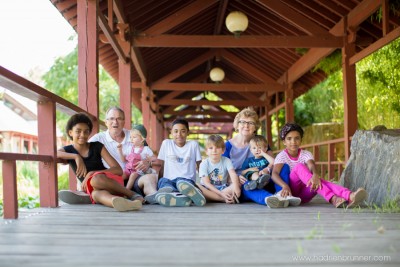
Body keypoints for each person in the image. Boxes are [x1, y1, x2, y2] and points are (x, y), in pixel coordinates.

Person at [58, 107, 158, 204]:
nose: (115, 122)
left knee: (149, 179)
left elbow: (151, 156)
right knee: (96, 194)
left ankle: (148, 196)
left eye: (119, 118)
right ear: (106, 122)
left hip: (130, 177)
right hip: (106, 184)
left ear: (124, 121)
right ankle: (123, 202)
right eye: (111, 119)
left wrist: (148, 162)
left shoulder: (134, 135)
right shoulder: (97, 139)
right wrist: (76, 157)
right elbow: (58, 152)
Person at [272, 122, 367, 208]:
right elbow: (274, 174)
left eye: (297, 138)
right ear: (284, 142)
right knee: (299, 167)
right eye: (289, 139)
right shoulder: (282, 156)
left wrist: (315, 175)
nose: (293, 142)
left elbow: (311, 165)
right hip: (291, 191)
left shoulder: (306, 154)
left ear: (301, 140)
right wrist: (284, 186)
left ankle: (349, 196)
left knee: (317, 181)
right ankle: (341, 197)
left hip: (305, 194)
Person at [222, 107, 300, 208]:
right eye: (242, 122)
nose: (246, 125)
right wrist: (235, 179)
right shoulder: (227, 146)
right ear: (237, 125)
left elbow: (274, 164)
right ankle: (270, 199)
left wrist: (267, 169)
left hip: (265, 179)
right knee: (247, 185)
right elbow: (222, 171)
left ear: (255, 127)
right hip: (244, 182)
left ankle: (282, 194)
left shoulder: (261, 142)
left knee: (283, 167)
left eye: (251, 123)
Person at [155, 118, 206, 207]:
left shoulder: (193, 145)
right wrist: (157, 184)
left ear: (188, 133)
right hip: (169, 181)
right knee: (164, 183)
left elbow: (200, 165)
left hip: (186, 181)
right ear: (171, 132)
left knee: (182, 184)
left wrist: (203, 183)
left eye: (183, 131)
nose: (179, 134)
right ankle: (182, 198)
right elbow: (162, 166)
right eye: (176, 131)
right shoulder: (166, 144)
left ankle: (178, 196)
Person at [198, 135, 241, 204]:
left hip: (223, 188)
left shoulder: (227, 161)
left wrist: (236, 186)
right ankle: (223, 199)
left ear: (223, 150)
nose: (214, 150)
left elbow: (232, 173)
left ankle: (213, 198)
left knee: (237, 182)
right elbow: (206, 183)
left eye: (217, 147)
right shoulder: (204, 164)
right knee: (197, 186)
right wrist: (221, 194)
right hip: (208, 188)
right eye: (211, 148)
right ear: (206, 151)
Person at [116, 124, 156, 191]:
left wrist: (149, 159)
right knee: (122, 175)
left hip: (138, 171)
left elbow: (154, 158)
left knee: (132, 176)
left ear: (142, 138)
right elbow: (123, 159)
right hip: (128, 169)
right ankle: (116, 189)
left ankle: (126, 191)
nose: (131, 139)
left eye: (134, 137)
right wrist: (120, 150)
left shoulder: (145, 149)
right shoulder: (130, 148)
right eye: (130, 137)